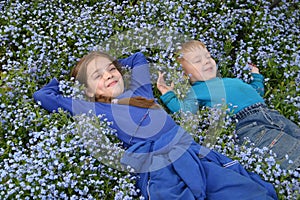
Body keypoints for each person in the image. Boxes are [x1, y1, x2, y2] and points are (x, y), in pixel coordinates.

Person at [34, 50, 278, 199]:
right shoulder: (94, 107)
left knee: (241, 191)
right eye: (98, 76)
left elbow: (139, 58)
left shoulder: (139, 90)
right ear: (87, 90)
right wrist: (65, 79)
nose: (109, 75)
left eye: (111, 70)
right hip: (156, 163)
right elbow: (45, 97)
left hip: (187, 148)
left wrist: (107, 61)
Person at [157, 39, 300, 171]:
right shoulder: (195, 91)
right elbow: (185, 111)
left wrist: (256, 76)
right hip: (249, 126)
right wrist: (168, 94)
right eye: (197, 61)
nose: (207, 62)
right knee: (292, 153)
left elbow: (256, 91)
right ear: (184, 75)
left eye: (208, 57)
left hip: (272, 115)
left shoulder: (230, 80)